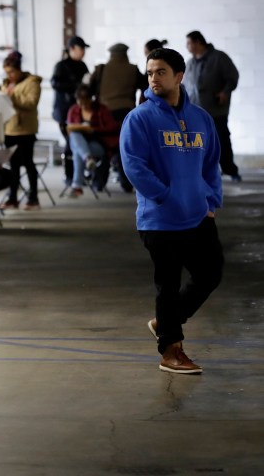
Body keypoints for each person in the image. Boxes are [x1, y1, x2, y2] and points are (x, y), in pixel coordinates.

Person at [120, 47, 223, 375]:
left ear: (179, 76)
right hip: (159, 219)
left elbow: (211, 164)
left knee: (210, 273)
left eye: (161, 72)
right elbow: (134, 166)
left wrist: (210, 201)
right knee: (168, 283)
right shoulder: (139, 118)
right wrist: (164, 196)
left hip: (197, 215)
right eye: (150, 73)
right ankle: (171, 351)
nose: (154, 78)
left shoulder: (201, 119)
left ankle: (166, 321)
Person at [184, 31, 241, 182]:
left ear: (198, 42)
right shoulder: (190, 63)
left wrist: (225, 92)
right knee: (199, 142)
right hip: (195, 110)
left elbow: (232, 77)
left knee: (221, 139)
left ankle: (230, 169)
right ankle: (206, 171)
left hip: (216, 109)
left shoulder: (219, 58)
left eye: (189, 43)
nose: (187, 46)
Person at [88, 43, 145, 192]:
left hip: (104, 114)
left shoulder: (101, 69)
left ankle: (99, 182)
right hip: (126, 113)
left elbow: (89, 90)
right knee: (124, 148)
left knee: (103, 146)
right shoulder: (133, 69)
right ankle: (126, 182)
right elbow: (145, 86)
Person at [0, 51, 42, 210]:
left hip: (25, 130)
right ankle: (12, 198)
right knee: (13, 165)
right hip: (9, 129)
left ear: (19, 69)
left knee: (28, 164)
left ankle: (33, 198)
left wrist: (12, 98)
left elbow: (32, 103)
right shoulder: (6, 83)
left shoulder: (32, 82)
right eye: (6, 72)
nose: (9, 75)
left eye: (11, 72)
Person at [65, 84, 118, 197]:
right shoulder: (73, 110)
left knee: (78, 152)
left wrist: (93, 130)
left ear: (91, 99)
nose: (83, 105)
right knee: (75, 136)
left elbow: (112, 127)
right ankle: (88, 159)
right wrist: (80, 128)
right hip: (79, 143)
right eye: (80, 102)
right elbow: (69, 129)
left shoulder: (101, 110)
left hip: (98, 144)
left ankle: (77, 186)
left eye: (85, 102)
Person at [52, 36, 90, 186]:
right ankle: (69, 175)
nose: (84, 52)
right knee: (70, 142)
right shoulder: (61, 66)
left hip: (81, 111)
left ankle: (78, 174)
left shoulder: (83, 66)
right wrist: (76, 85)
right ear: (72, 49)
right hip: (64, 111)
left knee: (78, 141)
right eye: (82, 49)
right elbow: (55, 83)